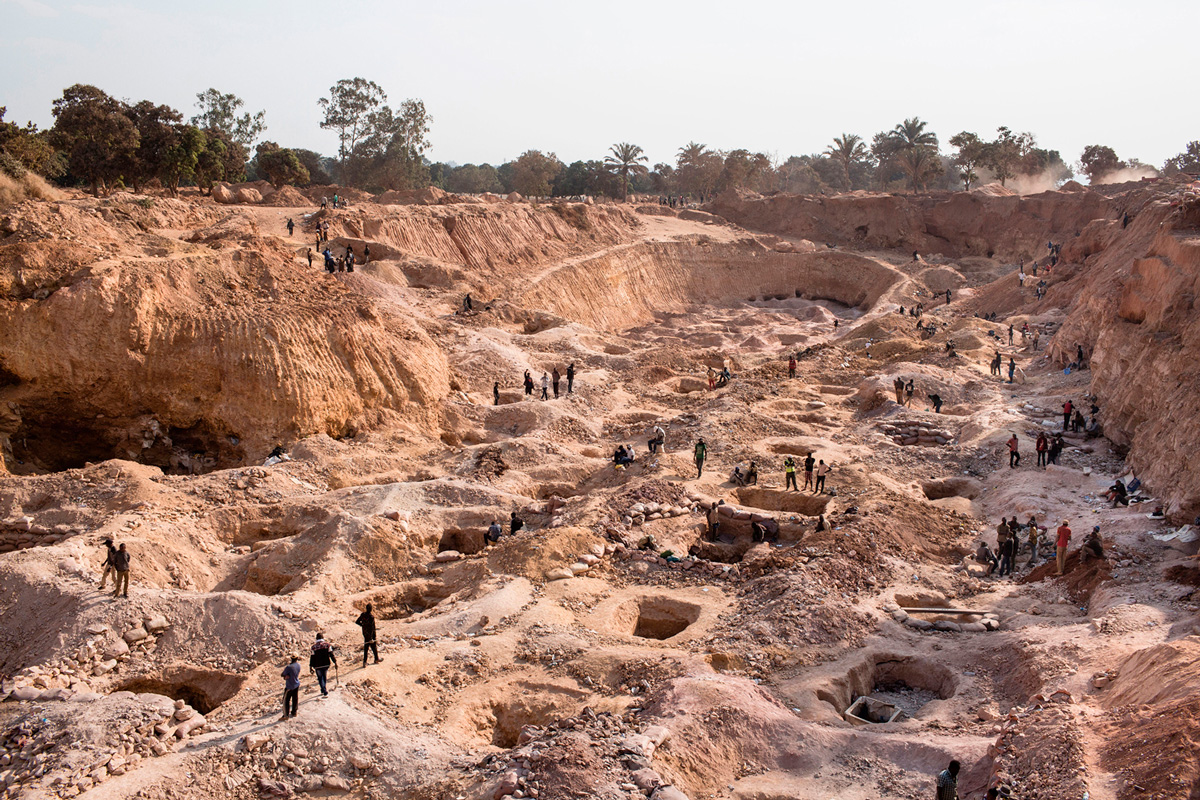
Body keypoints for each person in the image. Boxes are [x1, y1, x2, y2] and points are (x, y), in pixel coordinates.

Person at [281, 655, 301, 720]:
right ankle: (294, 712)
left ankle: (286, 715)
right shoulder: (298, 665)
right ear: (297, 658)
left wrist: (286, 676)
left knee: (286, 700)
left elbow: (282, 674)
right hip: (296, 684)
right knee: (295, 698)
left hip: (290, 685)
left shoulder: (289, 667)